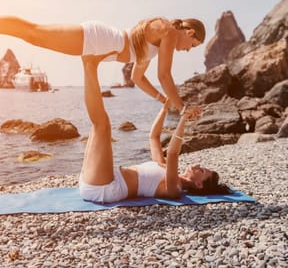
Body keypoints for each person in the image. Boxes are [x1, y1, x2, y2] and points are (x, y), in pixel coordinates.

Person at [0, 12, 205, 113]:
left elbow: (137, 78)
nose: (187, 51)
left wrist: (163, 100)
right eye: (192, 46)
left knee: (34, 34)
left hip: (101, 43)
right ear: (190, 32)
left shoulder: (157, 42)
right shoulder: (168, 30)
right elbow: (166, 76)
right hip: (98, 39)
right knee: (34, 32)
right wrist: (182, 107)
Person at [78, 54, 231, 203]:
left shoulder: (174, 188)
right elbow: (154, 137)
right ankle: (88, 61)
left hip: (105, 188)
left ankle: (90, 63)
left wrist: (184, 118)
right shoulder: (164, 167)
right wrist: (164, 109)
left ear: (199, 184)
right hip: (99, 180)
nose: (198, 166)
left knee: (102, 125)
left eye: (202, 171)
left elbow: (172, 153)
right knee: (96, 126)